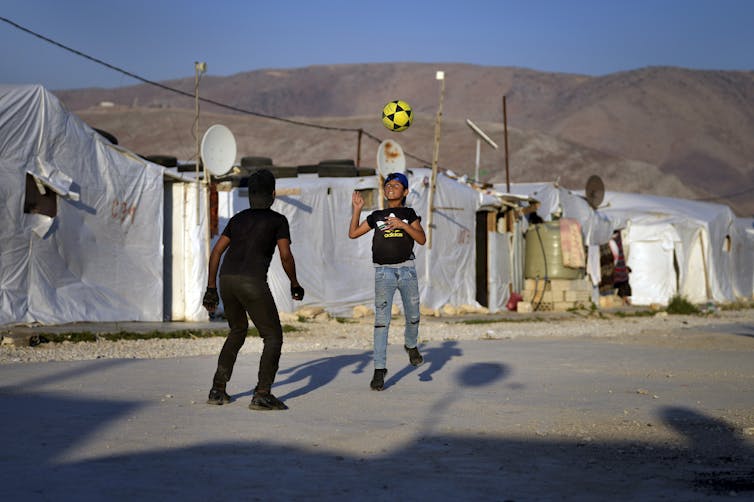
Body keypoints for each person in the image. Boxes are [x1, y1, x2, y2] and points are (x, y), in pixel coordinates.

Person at [202, 169, 304, 410]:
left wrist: (210, 288)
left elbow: (217, 251)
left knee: (237, 331)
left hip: (226, 279)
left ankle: (217, 390)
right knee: (272, 336)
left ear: (250, 195)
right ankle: (262, 394)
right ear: (273, 194)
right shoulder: (278, 220)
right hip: (252, 282)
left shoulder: (237, 219)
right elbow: (286, 255)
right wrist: (295, 283)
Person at [348, 172, 426, 391]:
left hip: (407, 271)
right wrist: (357, 210)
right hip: (384, 273)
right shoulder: (377, 215)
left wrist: (403, 225)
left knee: (413, 315)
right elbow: (353, 233)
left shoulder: (409, 214)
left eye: (396, 185)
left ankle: (411, 345)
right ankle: (379, 369)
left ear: (405, 191)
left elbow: (421, 238)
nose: (390, 188)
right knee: (382, 322)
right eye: (387, 185)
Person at [609, 230, 632, 305]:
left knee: (623, 280)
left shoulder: (619, 240)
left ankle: (624, 299)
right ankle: (622, 299)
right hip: (613, 265)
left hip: (619, 265)